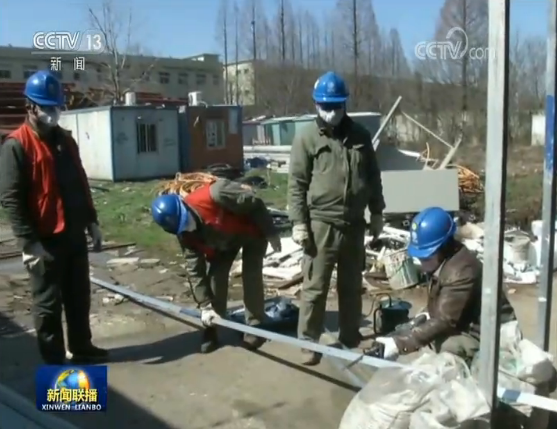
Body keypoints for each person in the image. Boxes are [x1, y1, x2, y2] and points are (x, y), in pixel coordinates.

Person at [0, 70, 107, 365]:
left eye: (56, 107)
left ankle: (82, 347)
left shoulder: (66, 141)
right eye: (47, 107)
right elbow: (11, 199)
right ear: (31, 107)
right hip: (44, 241)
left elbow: (80, 183)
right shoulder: (16, 146)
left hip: (73, 233)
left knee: (78, 297)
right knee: (48, 305)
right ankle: (54, 360)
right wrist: (29, 243)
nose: (53, 113)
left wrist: (92, 221)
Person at [287, 71, 386, 365]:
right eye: (326, 107)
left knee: (351, 286)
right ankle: (308, 341)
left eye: (336, 106)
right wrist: (299, 222)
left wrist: (377, 212)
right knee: (315, 287)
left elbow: (373, 177)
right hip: (321, 224)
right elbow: (297, 183)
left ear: (345, 104)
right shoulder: (306, 138)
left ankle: (350, 336)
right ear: (317, 105)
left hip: (354, 224)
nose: (331, 112)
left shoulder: (360, 136)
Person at [151, 179, 282, 353]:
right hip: (222, 242)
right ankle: (212, 325)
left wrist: (271, 233)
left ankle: (255, 326)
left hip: (251, 232)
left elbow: (255, 203)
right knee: (215, 277)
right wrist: (205, 306)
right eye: (183, 228)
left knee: (251, 276)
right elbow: (194, 270)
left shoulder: (216, 194)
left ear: (186, 207)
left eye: (186, 222)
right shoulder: (184, 234)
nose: (188, 229)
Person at [375, 207, 516, 363]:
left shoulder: (461, 271)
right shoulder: (444, 262)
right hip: (469, 324)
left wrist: (400, 344)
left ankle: (470, 373)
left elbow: (444, 320)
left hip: (492, 335)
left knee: (447, 345)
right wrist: (424, 317)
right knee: (422, 329)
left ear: (443, 247)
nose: (422, 263)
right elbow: (443, 302)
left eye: (426, 257)